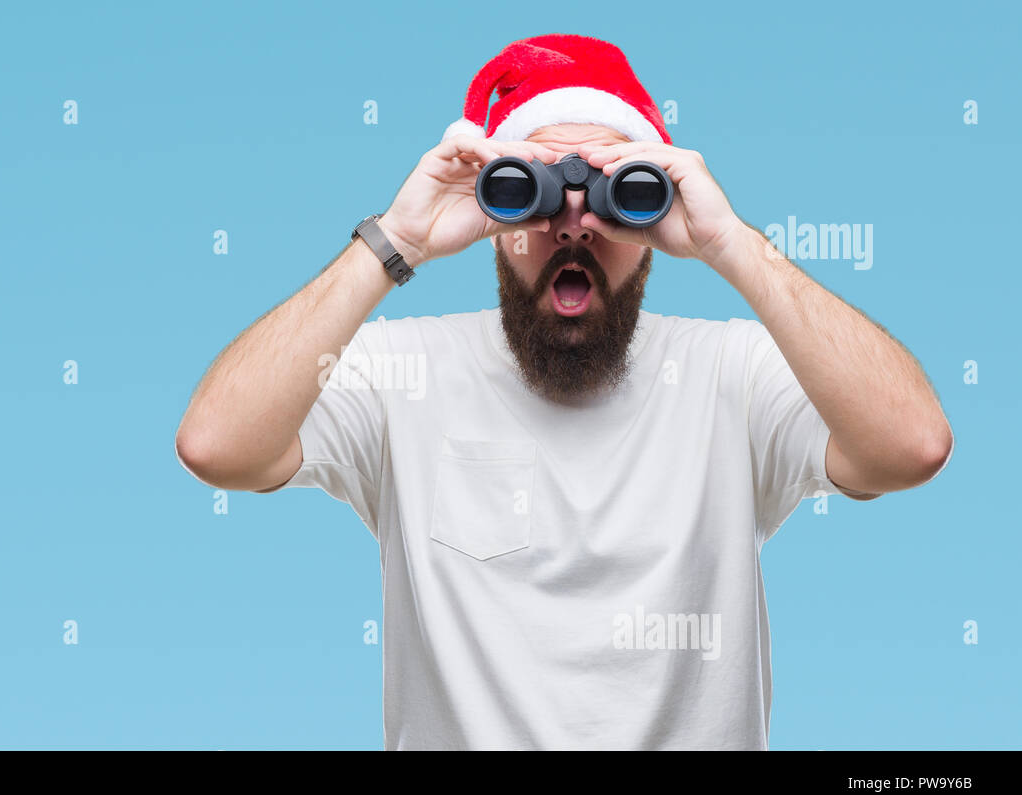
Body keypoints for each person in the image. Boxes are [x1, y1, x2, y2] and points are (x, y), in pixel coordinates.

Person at [175, 34, 953, 749]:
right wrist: (396, 241)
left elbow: (911, 446)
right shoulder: (403, 374)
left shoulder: (733, 377)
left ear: (656, 207)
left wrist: (732, 244)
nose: (574, 224)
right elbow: (217, 445)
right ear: (493, 204)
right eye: (535, 190)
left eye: (619, 191)